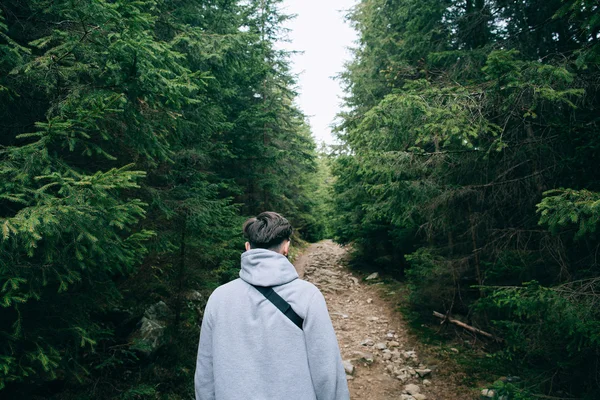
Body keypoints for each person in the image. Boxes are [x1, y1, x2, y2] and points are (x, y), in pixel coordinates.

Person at [194, 211, 350, 400]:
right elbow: (327, 373)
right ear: (286, 247)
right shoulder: (307, 296)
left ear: (247, 247)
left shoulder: (219, 298)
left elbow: (205, 374)